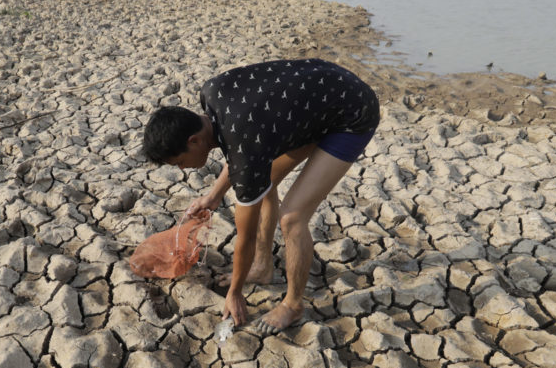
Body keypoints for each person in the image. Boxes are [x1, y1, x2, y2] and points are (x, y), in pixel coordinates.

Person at [141, 58, 380, 334]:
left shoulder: (244, 147)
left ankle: (292, 305)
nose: (182, 169)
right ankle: (263, 267)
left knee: (292, 217)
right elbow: (245, 144)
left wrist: (235, 291)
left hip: (351, 114)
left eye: (179, 162)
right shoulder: (211, 93)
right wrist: (213, 195)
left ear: (193, 141)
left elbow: (246, 236)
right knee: (263, 178)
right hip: (323, 91)